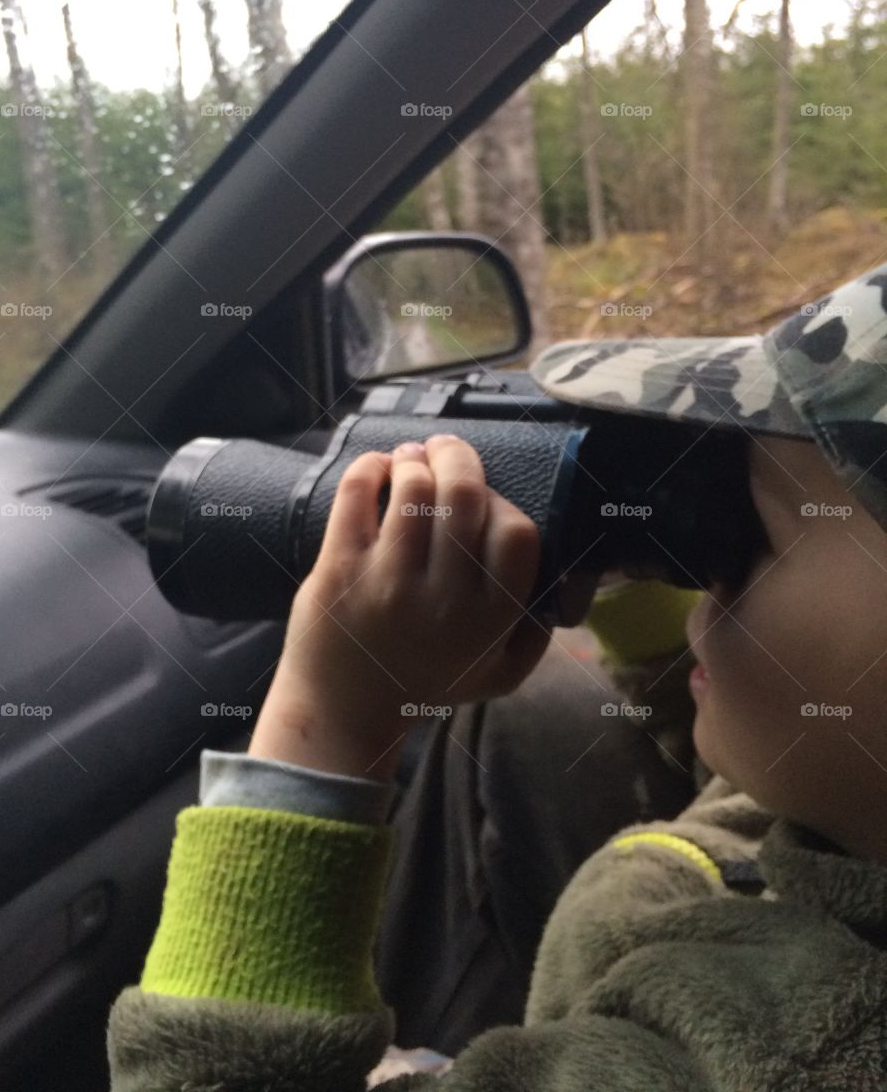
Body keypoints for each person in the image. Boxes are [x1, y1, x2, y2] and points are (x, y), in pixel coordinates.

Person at [107, 263, 887, 1090]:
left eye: (754, 533)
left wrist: (333, 720)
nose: (711, 570)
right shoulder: (851, 798)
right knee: (532, 710)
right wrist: (617, 554)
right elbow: (749, 771)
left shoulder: (773, 1056)